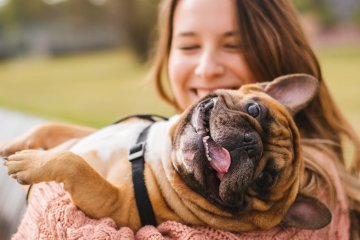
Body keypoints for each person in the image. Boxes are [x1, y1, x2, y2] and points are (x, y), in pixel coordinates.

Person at [1, 0, 360, 239]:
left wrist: (49, 185)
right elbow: (108, 144)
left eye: (232, 45)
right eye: (188, 46)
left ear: (276, 50)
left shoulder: (314, 187)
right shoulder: (169, 140)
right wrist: (50, 136)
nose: (206, 68)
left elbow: (54, 228)